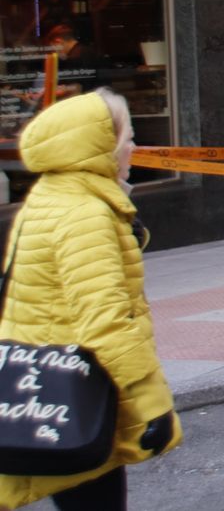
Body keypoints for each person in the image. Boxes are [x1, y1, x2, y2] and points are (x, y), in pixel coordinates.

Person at [0, 89, 182, 511]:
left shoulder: (50, 194)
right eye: (128, 137)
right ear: (102, 146)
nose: (134, 147)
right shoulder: (85, 213)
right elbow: (106, 321)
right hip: (73, 392)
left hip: (44, 381)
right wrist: (152, 406)